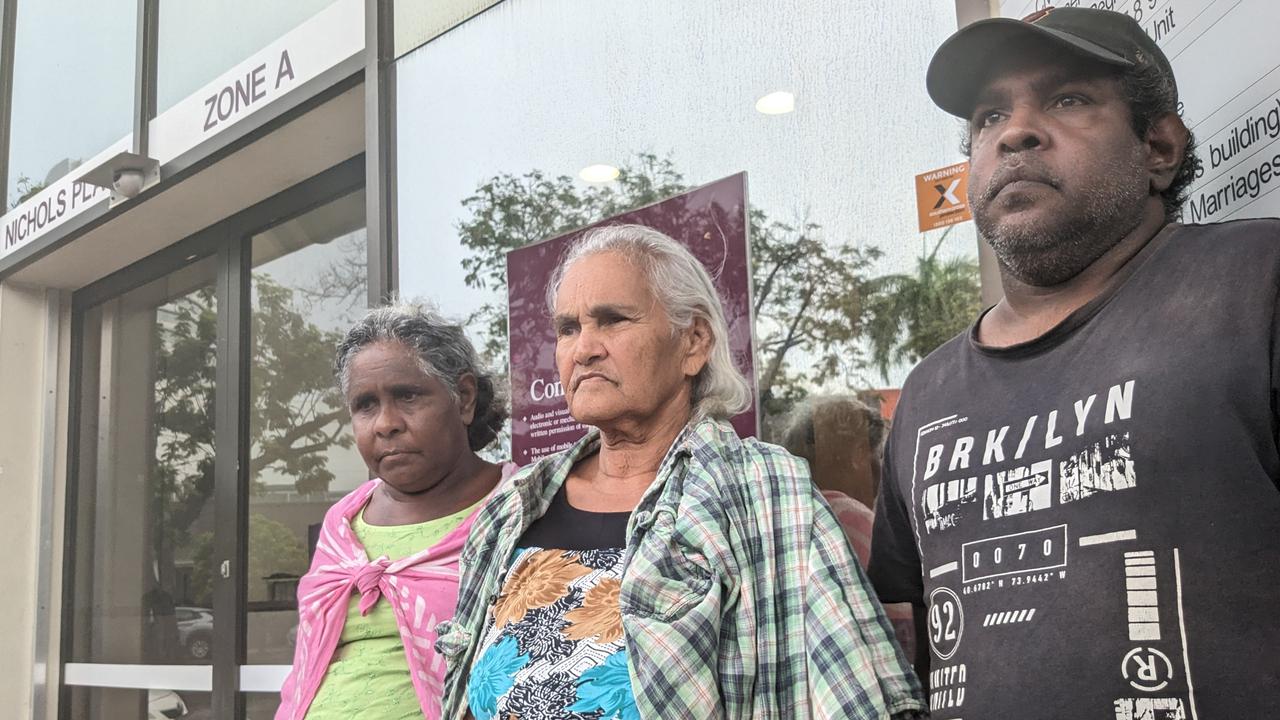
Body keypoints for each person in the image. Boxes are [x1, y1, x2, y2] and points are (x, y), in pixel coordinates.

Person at [868, 7, 1280, 718]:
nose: (1015, 132)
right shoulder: (929, 393)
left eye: (1068, 99)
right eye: (989, 117)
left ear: (1158, 147)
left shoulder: (1255, 283)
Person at [435, 224, 925, 719]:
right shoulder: (515, 506)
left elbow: (855, 696)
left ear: (693, 342)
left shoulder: (763, 491)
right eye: (568, 329)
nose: (583, 349)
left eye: (612, 320)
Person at [276, 303, 517, 720]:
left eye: (407, 396)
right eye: (365, 405)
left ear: (463, 397)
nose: (385, 423)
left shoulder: (520, 507)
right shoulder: (342, 525)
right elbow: (305, 670)